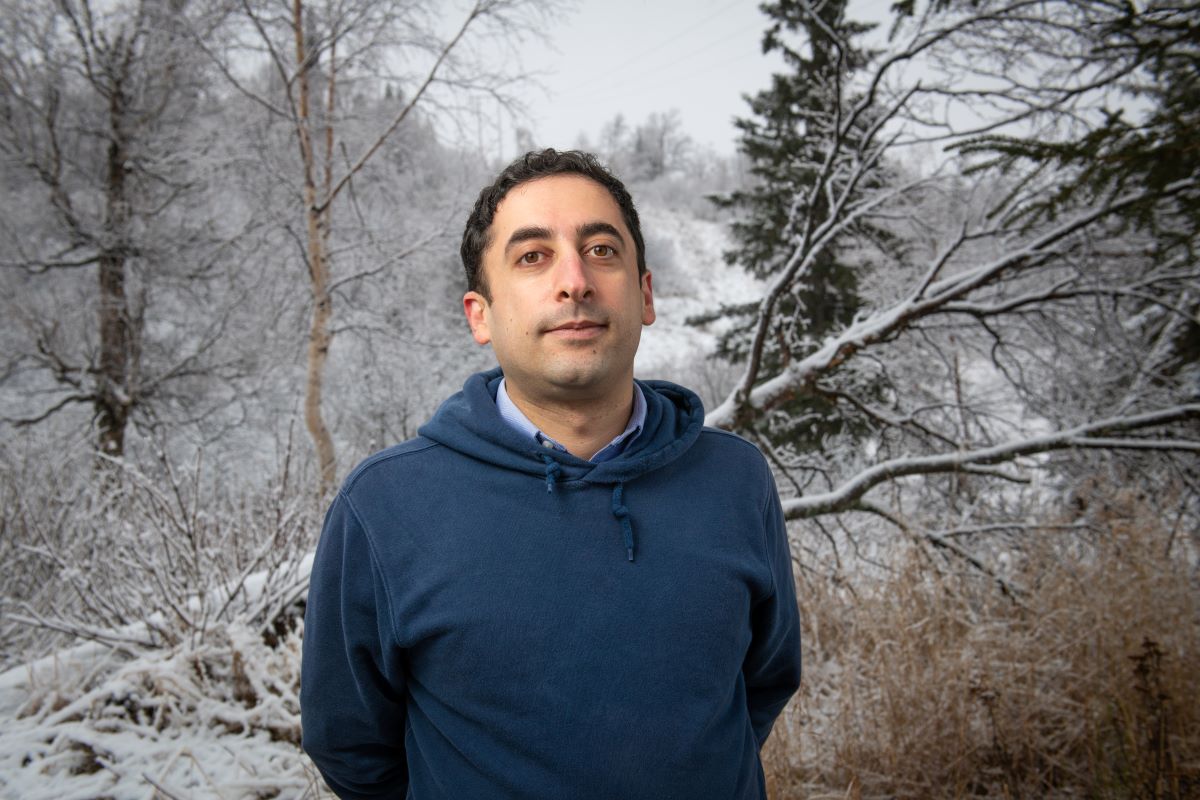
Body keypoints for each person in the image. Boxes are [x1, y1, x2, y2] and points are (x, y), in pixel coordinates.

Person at [300, 149, 802, 799]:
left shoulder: (734, 480)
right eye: (533, 256)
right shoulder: (388, 505)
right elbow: (349, 741)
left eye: (601, 250)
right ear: (480, 315)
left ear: (644, 295)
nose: (575, 281)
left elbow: (763, 681)